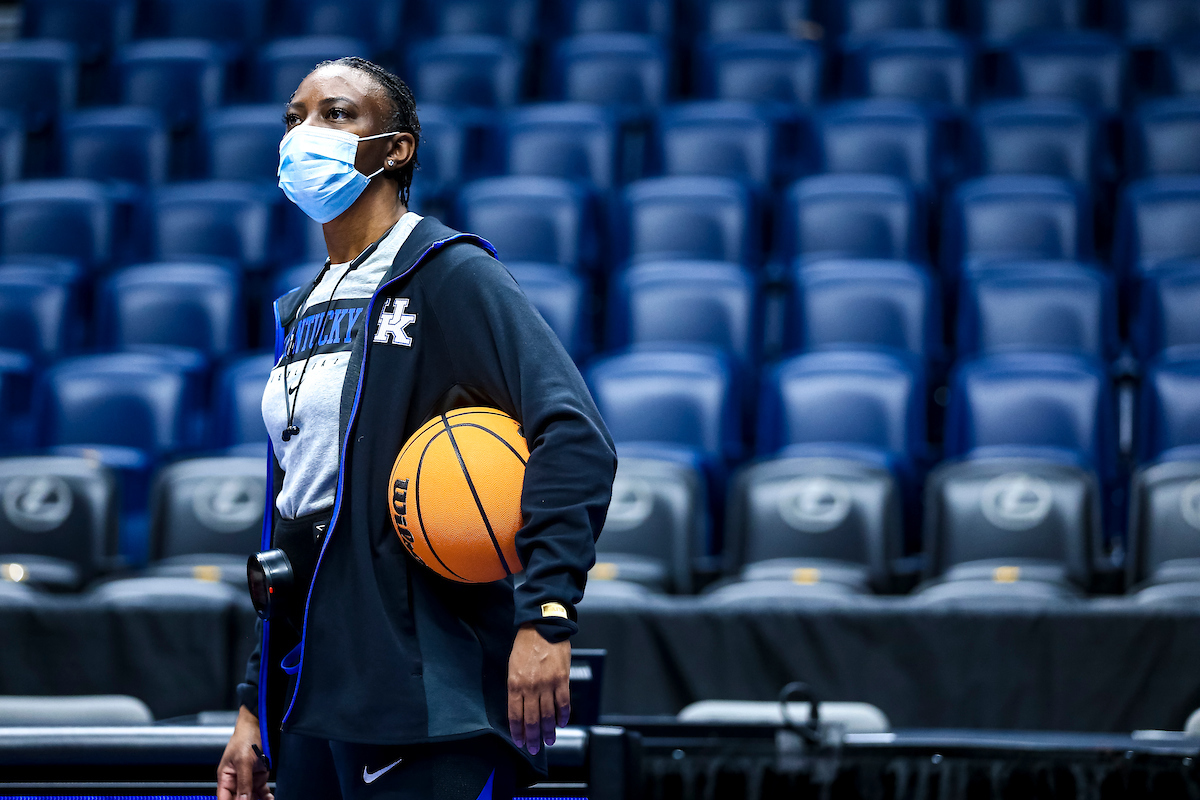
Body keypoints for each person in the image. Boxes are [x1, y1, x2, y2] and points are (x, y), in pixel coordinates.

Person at [216, 56, 616, 800]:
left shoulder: (449, 274)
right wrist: (253, 700)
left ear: (397, 148)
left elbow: (575, 434)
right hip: (310, 686)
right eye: (295, 117)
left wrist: (548, 614)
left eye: (336, 115)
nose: (306, 132)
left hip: (423, 683)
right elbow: (295, 517)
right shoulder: (298, 308)